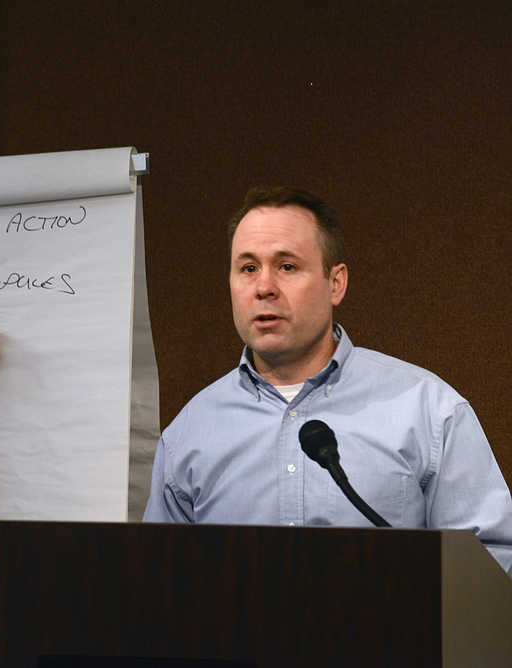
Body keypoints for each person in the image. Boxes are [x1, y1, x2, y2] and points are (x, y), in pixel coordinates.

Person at [143, 186, 512, 574]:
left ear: (335, 283)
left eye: (287, 266)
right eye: (248, 268)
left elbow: (492, 565)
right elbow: (157, 584)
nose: (264, 287)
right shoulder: (189, 433)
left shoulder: (428, 410)